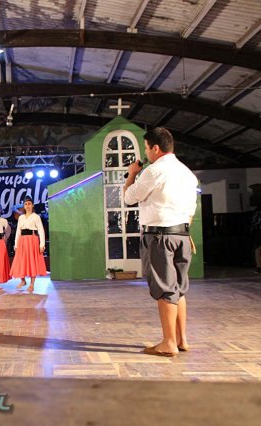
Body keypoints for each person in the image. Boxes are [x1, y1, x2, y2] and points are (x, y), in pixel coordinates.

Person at [124, 127, 198, 358]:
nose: (146, 153)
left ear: (156, 148)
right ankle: (181, 339)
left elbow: (128, 198)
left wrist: (132, 174)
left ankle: (168, 343)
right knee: (178, 289)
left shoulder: (154, 171)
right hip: (182, 234)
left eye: (146, 148)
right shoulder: (187, 173)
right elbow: (191, 209)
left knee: (165, 289)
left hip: (159, 236)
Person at [10, 196, 47, 293]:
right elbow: (18, 231)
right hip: (22, 241)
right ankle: (23, 280)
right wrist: (16, 244)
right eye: (26, 204)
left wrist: (42, 244)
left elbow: (41, 231)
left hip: (32, 240)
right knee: (20, 260)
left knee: (32, 261)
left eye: (29, 204)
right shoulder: (21, 217)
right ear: (24, 206)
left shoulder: (36, 217)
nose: (27, 206)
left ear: (32, 205)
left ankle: (32, 284)